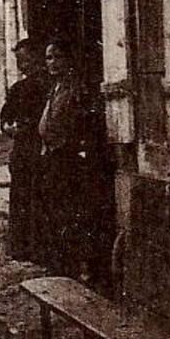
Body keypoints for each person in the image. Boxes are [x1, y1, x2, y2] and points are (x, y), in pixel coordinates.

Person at [37, 38, 107, 281]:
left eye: (57, 57)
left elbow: (85, 124)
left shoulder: (76, 89)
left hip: (68, 160)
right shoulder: (54, 88)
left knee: (72, 214)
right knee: (55, 213)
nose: (52, 63)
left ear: (68, 60)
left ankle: (77, 267)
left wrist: (73, 148)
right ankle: (62, 264)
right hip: (52, 157)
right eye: (49, 58)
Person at [0, 36, 48, 263]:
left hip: (41, 149)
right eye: (19, 60)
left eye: (27, 59)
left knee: (39, 199)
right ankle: (21, 247)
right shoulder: (18, 88)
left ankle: (38, 248)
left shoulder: (50, 86)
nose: (22, 65)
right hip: (23, 150)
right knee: (20, 197)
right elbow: (6, 117)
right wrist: (9, 128)